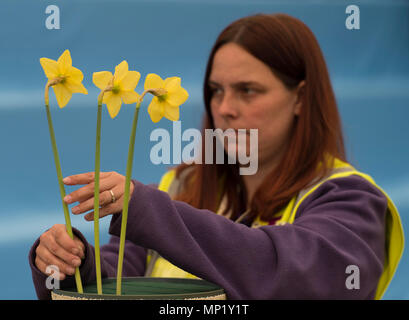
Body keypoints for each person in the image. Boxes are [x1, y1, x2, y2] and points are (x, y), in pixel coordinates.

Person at [29, 13, 404, 300]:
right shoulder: (178, 185)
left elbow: (290, 277)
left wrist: (148, 209)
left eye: (248, 90)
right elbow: (125, 280)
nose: (224, 108)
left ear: (301, 99)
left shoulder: (350, 201)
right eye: (215, 90)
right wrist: (72, 262)